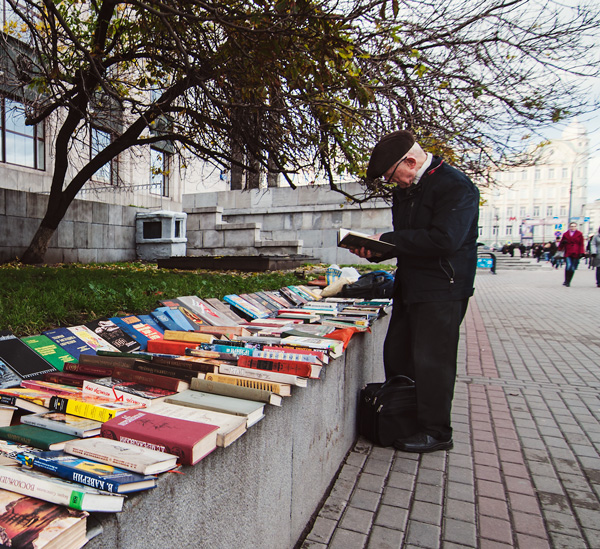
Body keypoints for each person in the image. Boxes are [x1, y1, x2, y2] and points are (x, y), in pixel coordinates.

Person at [349, 130, 479, 453]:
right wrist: (376, 250)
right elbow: (408, 241)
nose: (396, 183)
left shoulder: (456, 186)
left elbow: (443, 239)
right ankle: (404, 416)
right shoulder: (406, 192)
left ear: (410, 160)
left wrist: (392, 240)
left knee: (433, 361)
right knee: (398, 353)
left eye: (395, 176)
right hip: (410, 286)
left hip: (443, 289)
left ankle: (437, 431)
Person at [558, 222, 585, 287]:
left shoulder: (579, 234)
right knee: (568, 266)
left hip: (576, 252)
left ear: (576, 227)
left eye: (574, 226)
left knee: (572, 268)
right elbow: (561, 243)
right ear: (569, 227)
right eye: (572, 226)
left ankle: (569, 281)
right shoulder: (566, 234)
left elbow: (581, 244)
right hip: (568, 252)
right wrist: (562, 245)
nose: (573, 227)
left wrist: (582, 252)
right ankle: (566, 281)